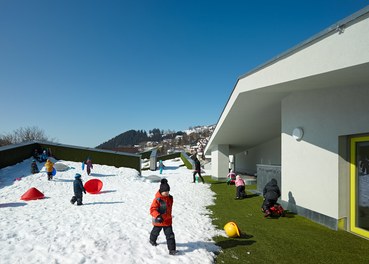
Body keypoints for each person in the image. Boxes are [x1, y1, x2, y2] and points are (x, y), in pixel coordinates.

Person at [149, 179, 177, 255]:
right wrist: (157, 216)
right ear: (161, 191)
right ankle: (152, 240)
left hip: (167, 221)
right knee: (155, 232)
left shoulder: (170, 198)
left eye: (168, 191)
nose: (167, 193)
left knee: (170, 235)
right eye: (165, 191)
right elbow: (152, 209)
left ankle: (172, 250)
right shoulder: (157, 199)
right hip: (159, 220)